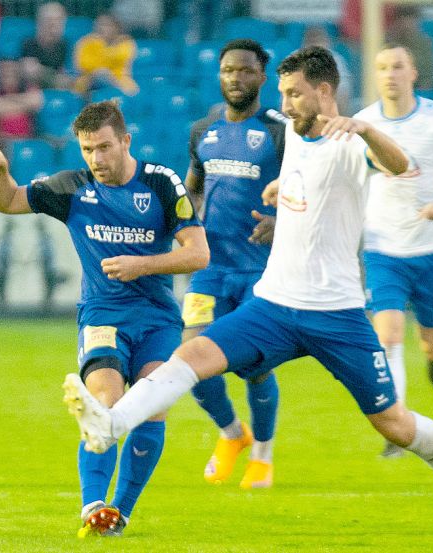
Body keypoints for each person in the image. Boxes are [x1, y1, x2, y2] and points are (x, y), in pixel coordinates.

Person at [62, 46, 433, 544]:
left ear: (325, 92)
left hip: (336, 314)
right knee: (190, 356)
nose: (284, 102)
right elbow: (306, 177)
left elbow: (399, 162)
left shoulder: (350, 136)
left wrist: (365, 129)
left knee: (395, 424)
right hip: (274, 305)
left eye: (294, 93)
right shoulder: (294, 136)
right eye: (282, 92)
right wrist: (282, 188)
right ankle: (111, 424)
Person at [0, 100, 209, 538]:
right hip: (102, 315)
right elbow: (9, 202)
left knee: (153, 412)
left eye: (104, 147)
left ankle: (121, 511)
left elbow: (198, 253)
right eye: (86, 149)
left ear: (125, 141)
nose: (96, 159)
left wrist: (142, 265)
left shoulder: (160, 182)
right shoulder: (71, 187)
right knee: (104, 403)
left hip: (157, 319)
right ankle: (93, 504)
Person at [353, 45, 433, 457]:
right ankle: (397, 425)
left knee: (431, 341)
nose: (389, 74)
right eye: (382, 68)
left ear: (413, 73)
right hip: (382, 247)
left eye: (397, 67)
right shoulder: (363, 123)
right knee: (387, 333)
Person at [183, 39, 286, 489]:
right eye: (228, 70)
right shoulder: (202, 130)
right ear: (219, 75)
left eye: (246, 71)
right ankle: (231, 434)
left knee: (254, 367)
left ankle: (263, 454)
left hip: (260, 271)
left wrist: (281, 220)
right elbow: (192, 190)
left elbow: (312, 188)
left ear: (262, 78)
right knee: (189, 361)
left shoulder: (281, 131)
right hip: (209, 267)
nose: (236, 79)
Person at [72, 13, 138, 96]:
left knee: (103, 74)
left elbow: (120, 59)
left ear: (116, 27)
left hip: (118, 82)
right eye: (99, 24)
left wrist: (99, 55)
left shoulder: (126, 42)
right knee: (99, 74)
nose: (102, 28)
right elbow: (82, 65)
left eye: (106, 25)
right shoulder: (85, 42)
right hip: (88, 82)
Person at [20, 2, 71, 90]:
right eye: (49, 20)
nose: (53, 24)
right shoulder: (29, 43)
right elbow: (29, 71)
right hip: (31, 91)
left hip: (57, 89)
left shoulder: (64, 44)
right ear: (39, 22)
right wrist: (55, 77)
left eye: (58, 20)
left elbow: (68, 77)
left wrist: (41, 71)